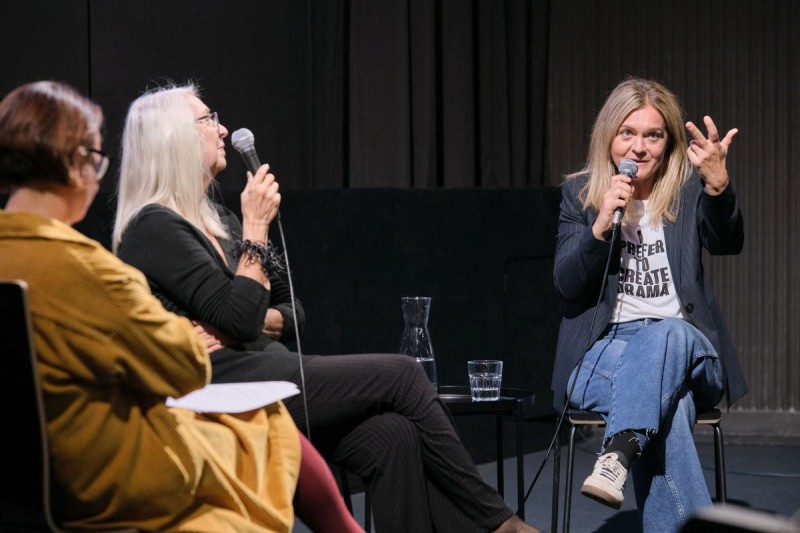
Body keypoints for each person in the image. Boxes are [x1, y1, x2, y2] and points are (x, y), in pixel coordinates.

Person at [113, 83, 541, 533]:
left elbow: (288, 309)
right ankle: (499, 524)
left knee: (391, 438)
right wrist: (256, 232)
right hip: (222, 385)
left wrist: (248, 315)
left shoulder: (219, 222)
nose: (222, 129)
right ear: (172, 138)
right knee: (404, 373)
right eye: (207, 120)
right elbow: (240, 316)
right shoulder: (153, 227)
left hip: (269, 365)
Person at [0, 80, 363, 533]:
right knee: (264, 426)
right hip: (98, 477)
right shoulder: (86, 270)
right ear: (77, 164)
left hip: (19, 482)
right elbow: (185, 365)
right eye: (96, 160)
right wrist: (185, 340)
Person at [551, 77, 746, 532]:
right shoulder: (580, 195)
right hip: (603, 352)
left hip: (689, 350)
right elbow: (566, 286)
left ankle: (615, 452)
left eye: (653, 135)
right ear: (609, 137)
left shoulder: (688, 191)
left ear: (669, 142)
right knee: (668, 409)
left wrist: (718, 189)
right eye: (627, 133)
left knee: (668, 331)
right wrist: (599, 228)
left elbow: (728, 243)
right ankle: (627, 448)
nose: (639, 148)